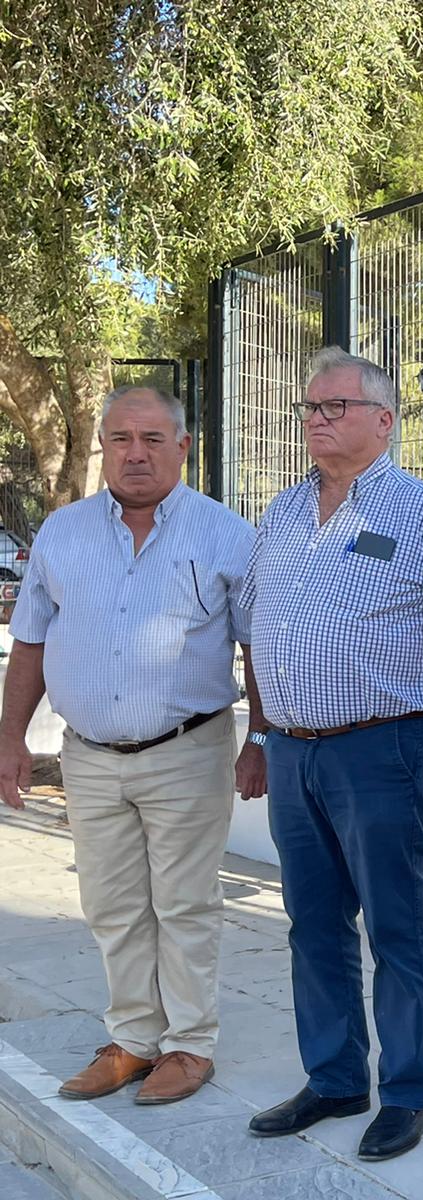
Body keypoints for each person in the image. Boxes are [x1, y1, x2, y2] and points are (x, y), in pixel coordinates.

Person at [0, 385, 258, 1105]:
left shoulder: (224, 534)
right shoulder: (62, 533)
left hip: (189, 748)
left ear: (183, 445)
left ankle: (188, 1045)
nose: (135, 453)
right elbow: (29, 642)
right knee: (111, 903)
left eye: (152, 438)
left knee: (183, 905)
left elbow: (256, 644)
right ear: (104, 447)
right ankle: (133, 1040)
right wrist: (10, 739)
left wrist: (259, 738)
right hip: (89, 756)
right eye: (121, 439)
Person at [240, 347, 423, 1162]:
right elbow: (258, 631)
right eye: (309, 408)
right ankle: (336, 1077)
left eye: (335, 407)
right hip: (295, 755)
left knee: (398, 927)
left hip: (384, 749)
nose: (317, 420)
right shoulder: (283, 512)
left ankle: (408, 1093)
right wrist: (259, 735)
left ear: (384, 419)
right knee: (313, 926)